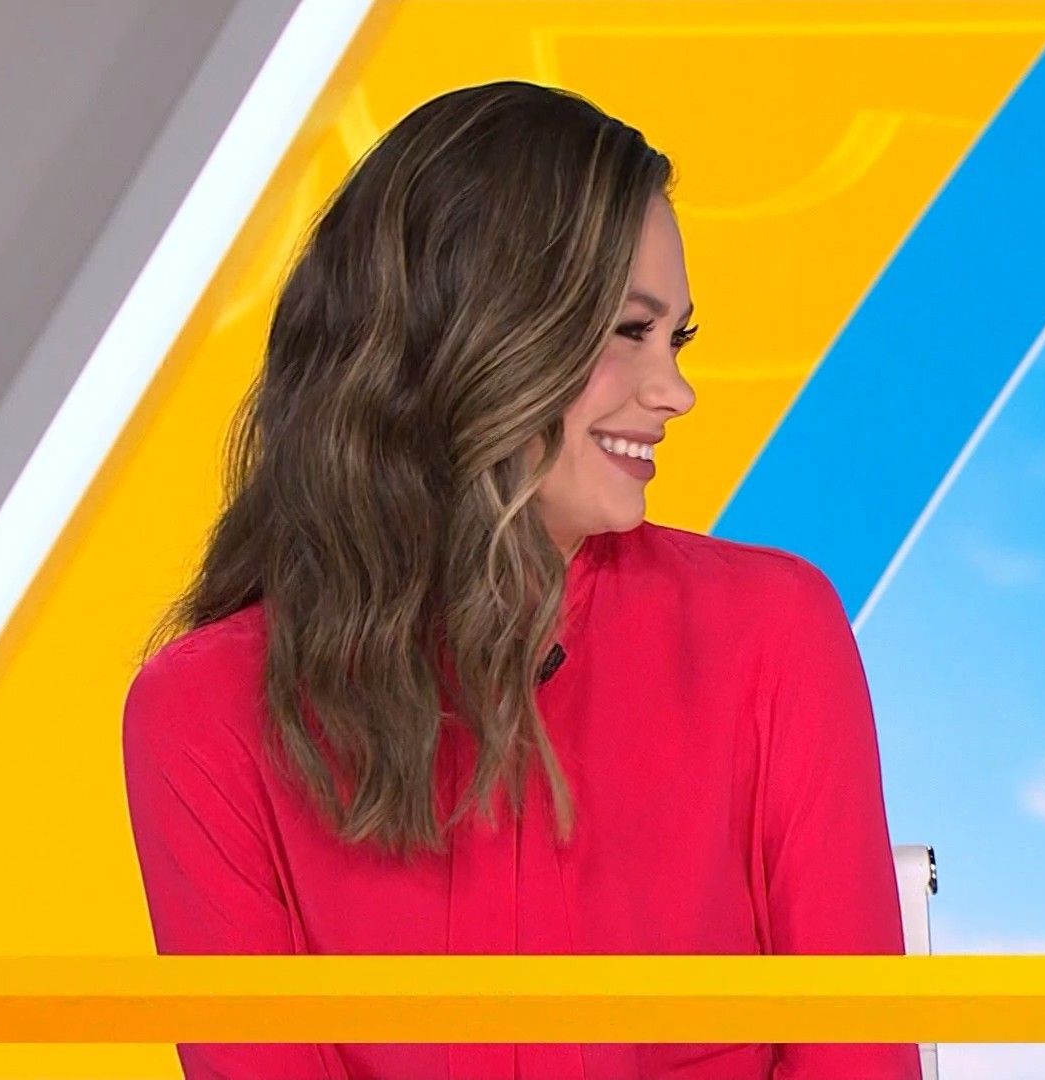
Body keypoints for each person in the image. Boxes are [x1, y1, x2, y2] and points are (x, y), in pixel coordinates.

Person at [122, 79, 916, 1080]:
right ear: (470, 337)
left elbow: (857, 1057)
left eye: (676, 338)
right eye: (628, 331)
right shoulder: (204, 712)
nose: (674, 391)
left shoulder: (772, 632)